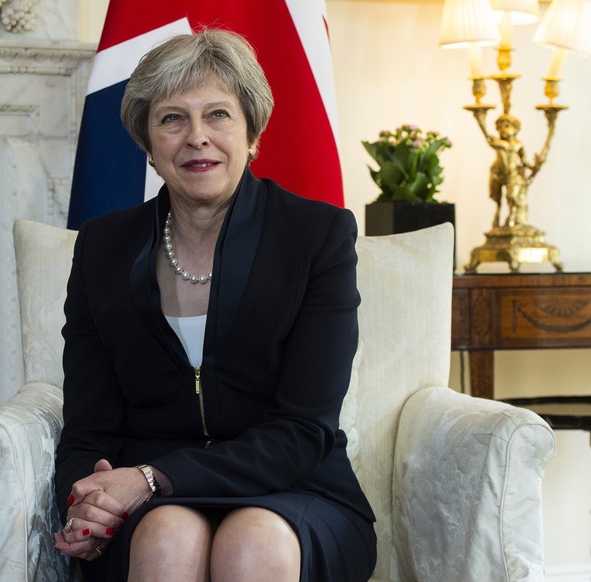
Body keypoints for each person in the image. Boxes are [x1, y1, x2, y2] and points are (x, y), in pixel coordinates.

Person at [53, 28, 376, 582]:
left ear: (252, 132)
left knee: (252, 542)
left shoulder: (315, 235)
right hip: (148, 500)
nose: (197, 137)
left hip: (294, 489)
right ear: (147, 143)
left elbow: (304, 428)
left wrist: (153, 477)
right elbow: (88, 423)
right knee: (168, 536)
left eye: (219, 115)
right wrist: (89, 502)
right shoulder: (103, 247)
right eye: (172, 118)